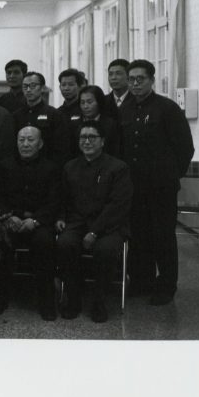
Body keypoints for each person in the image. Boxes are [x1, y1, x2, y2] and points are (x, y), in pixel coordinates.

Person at [119, 59, 194, 305]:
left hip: (161, 187)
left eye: (141, 79)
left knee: (162, 237)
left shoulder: (167, 108)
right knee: (139, 236)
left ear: (152, 80)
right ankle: (142, 282)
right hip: (134, 187)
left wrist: (171, 176)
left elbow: (185, 148)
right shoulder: (125, 110)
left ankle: (166, 286)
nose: (136, 83)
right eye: (132, 79)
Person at [56, 121, 133, 322]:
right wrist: (61, 218)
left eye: (92, 137)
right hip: (78, 222)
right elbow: (63, 198)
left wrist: (95, 232)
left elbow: (117, 206)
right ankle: (73, 298)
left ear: (103, 142)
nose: (87, 141)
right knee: (65, 243)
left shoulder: (118, 168)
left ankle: (99, 301)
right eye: (83, 137)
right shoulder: (70, 167)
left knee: (105, 249)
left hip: (110, 225)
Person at [0, 126, 60, 320]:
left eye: (30, 140)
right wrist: (9, 216)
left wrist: (35, 220)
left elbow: (55, 201)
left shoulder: (52, 168)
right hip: (11, 220)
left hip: (39, 223)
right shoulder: (5, 165)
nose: (25, 144)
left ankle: (46, 302)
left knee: (45, 243)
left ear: (40, 144)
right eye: (21, 140)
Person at [12, 71, 69, 168]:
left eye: (33, 85)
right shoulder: (16, 115)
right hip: (20, 167)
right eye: (25, 86)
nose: (29, 90)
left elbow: (61, 146)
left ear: (42, 88)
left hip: (47, 167)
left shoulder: (54, 114)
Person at [68, 85, 119, 158]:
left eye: (89, 102)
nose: (85, 106)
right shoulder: (74, 124)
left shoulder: (110, 124)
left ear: (99, 102)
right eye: (82, 102)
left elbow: (114, 151)